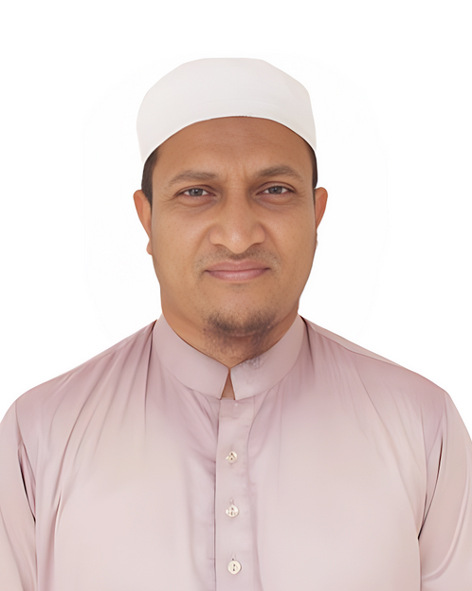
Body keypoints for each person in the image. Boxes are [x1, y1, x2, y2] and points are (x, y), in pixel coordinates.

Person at [0, 58, 471, 591]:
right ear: (147, 218)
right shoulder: (38, 437)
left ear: (316, 214)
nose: (239, 234)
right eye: (197, 192)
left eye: (275, 190)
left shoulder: (422, 427)